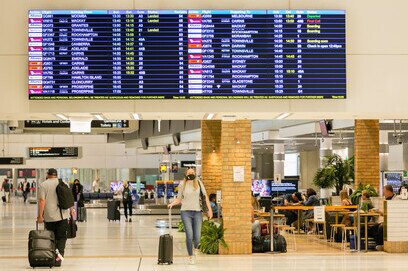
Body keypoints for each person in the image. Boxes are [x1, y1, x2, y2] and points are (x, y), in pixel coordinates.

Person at [168, 168, 212, 265]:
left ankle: (195, 248)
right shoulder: (182, 184)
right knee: (189, 235)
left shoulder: (199, 183)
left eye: (193, 172)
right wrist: (172, 204)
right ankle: (190, 256)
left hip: (197, 212)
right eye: (189, 173)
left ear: (195, 174)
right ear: (186, 174)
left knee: (197, 237)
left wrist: (209, 210)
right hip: (185, 212)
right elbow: (179, 199)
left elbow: (205, 197)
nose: (191, 174)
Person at [38, 168, 75, 267]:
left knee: (51, 239)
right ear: (56, 175)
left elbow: (42, 201)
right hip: (63, 216)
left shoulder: (43, 185)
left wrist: (40, 216)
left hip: (49, 217)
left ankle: (51, 258)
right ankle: (58, 260)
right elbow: (69, 198)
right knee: (62, 239)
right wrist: (71, 210)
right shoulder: (64, 183)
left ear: (47, 174)